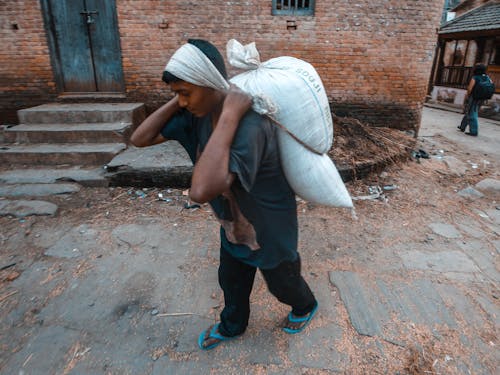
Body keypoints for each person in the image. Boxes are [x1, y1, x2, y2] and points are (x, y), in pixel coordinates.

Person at [130, 39, 318, 350]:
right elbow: (139, 138)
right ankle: (232, 326)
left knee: (283, 284)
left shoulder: (250, 125)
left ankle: (305, 305)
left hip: (270, 229)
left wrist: (230, 113)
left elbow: (201, 190)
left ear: (209, 83)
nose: (183, 102)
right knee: (231, 282)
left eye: (186, 92)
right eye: (177, 94)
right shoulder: (194, 113)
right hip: (233, 226)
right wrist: (179, 98)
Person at [458, 63, 489, 136]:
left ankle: (474, 131)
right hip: (482, 98)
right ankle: (462, 126)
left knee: (472, 113)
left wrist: (467, 96)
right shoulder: (487, 77)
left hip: (474, 97)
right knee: (470, 111)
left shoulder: (475, 77)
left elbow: (469, 89)